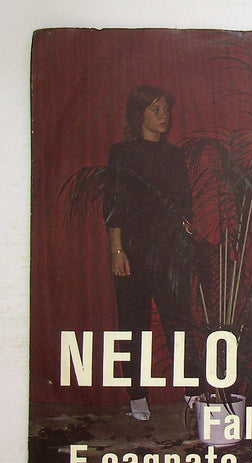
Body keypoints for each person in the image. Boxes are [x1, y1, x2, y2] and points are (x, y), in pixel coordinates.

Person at [103, 84, 196, 420]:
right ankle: (137, 395)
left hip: (170, 252)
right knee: (133, 324)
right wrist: (117, 250)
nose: (163, 116)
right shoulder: (122, 153)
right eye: (155, 110)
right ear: (139, 115)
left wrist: (186, 246)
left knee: (178, 322)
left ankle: (192, 389)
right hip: (133, 251)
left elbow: (185, 206)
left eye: (166, 110)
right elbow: (114, 204)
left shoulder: (174, 156)